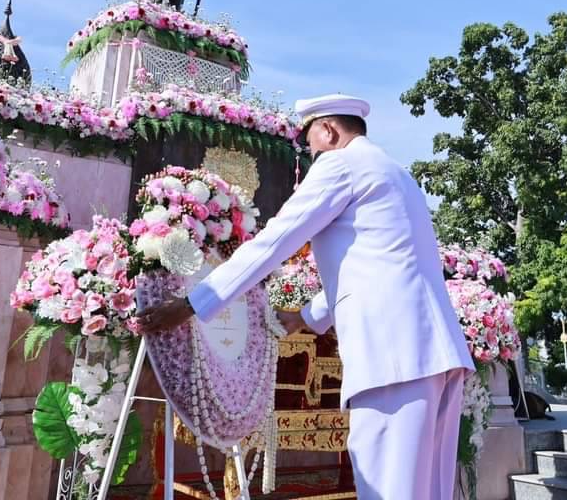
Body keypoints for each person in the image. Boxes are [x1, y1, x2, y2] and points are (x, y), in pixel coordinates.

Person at [136, 94, 474, 500]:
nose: (310, 153)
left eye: (309, 142)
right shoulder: (395, 174)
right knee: (426, 490)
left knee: (389, 488)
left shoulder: (340, 163)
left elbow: (277, 240)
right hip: (434, 354)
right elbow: (380, 265)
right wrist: (307, 316)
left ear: (329, 130)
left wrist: (193, 303)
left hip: (392, 356)